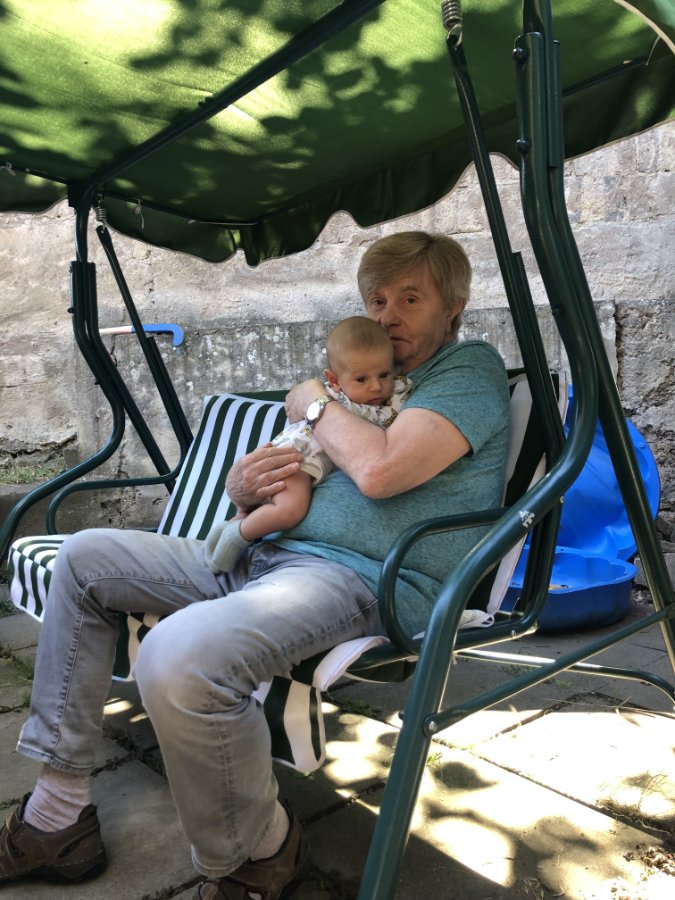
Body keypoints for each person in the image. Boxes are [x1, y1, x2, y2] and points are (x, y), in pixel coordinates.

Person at [0, 232, 510, 899]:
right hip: (262, 553)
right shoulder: (363, 384)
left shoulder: (465, 370)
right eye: (377, 300)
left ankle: (261, 854)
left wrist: (313, 400)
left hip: (356, 577)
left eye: (410, 299)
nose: (387, 315)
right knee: (84, 556)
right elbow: (301, 471)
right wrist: (243, 490)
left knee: (179, 659)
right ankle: (56, 816)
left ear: (454, 307)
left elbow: (380, 471)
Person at [204, 315, 411, 573]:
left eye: (384, 375)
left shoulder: (391, 398)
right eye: (362, 379)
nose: (376, 387)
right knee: (290, 510)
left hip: (308, 462)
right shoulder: (331, 398)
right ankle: (237, 536)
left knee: (270, 507)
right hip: (297, 459)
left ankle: (232, 526)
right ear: (334, 380)